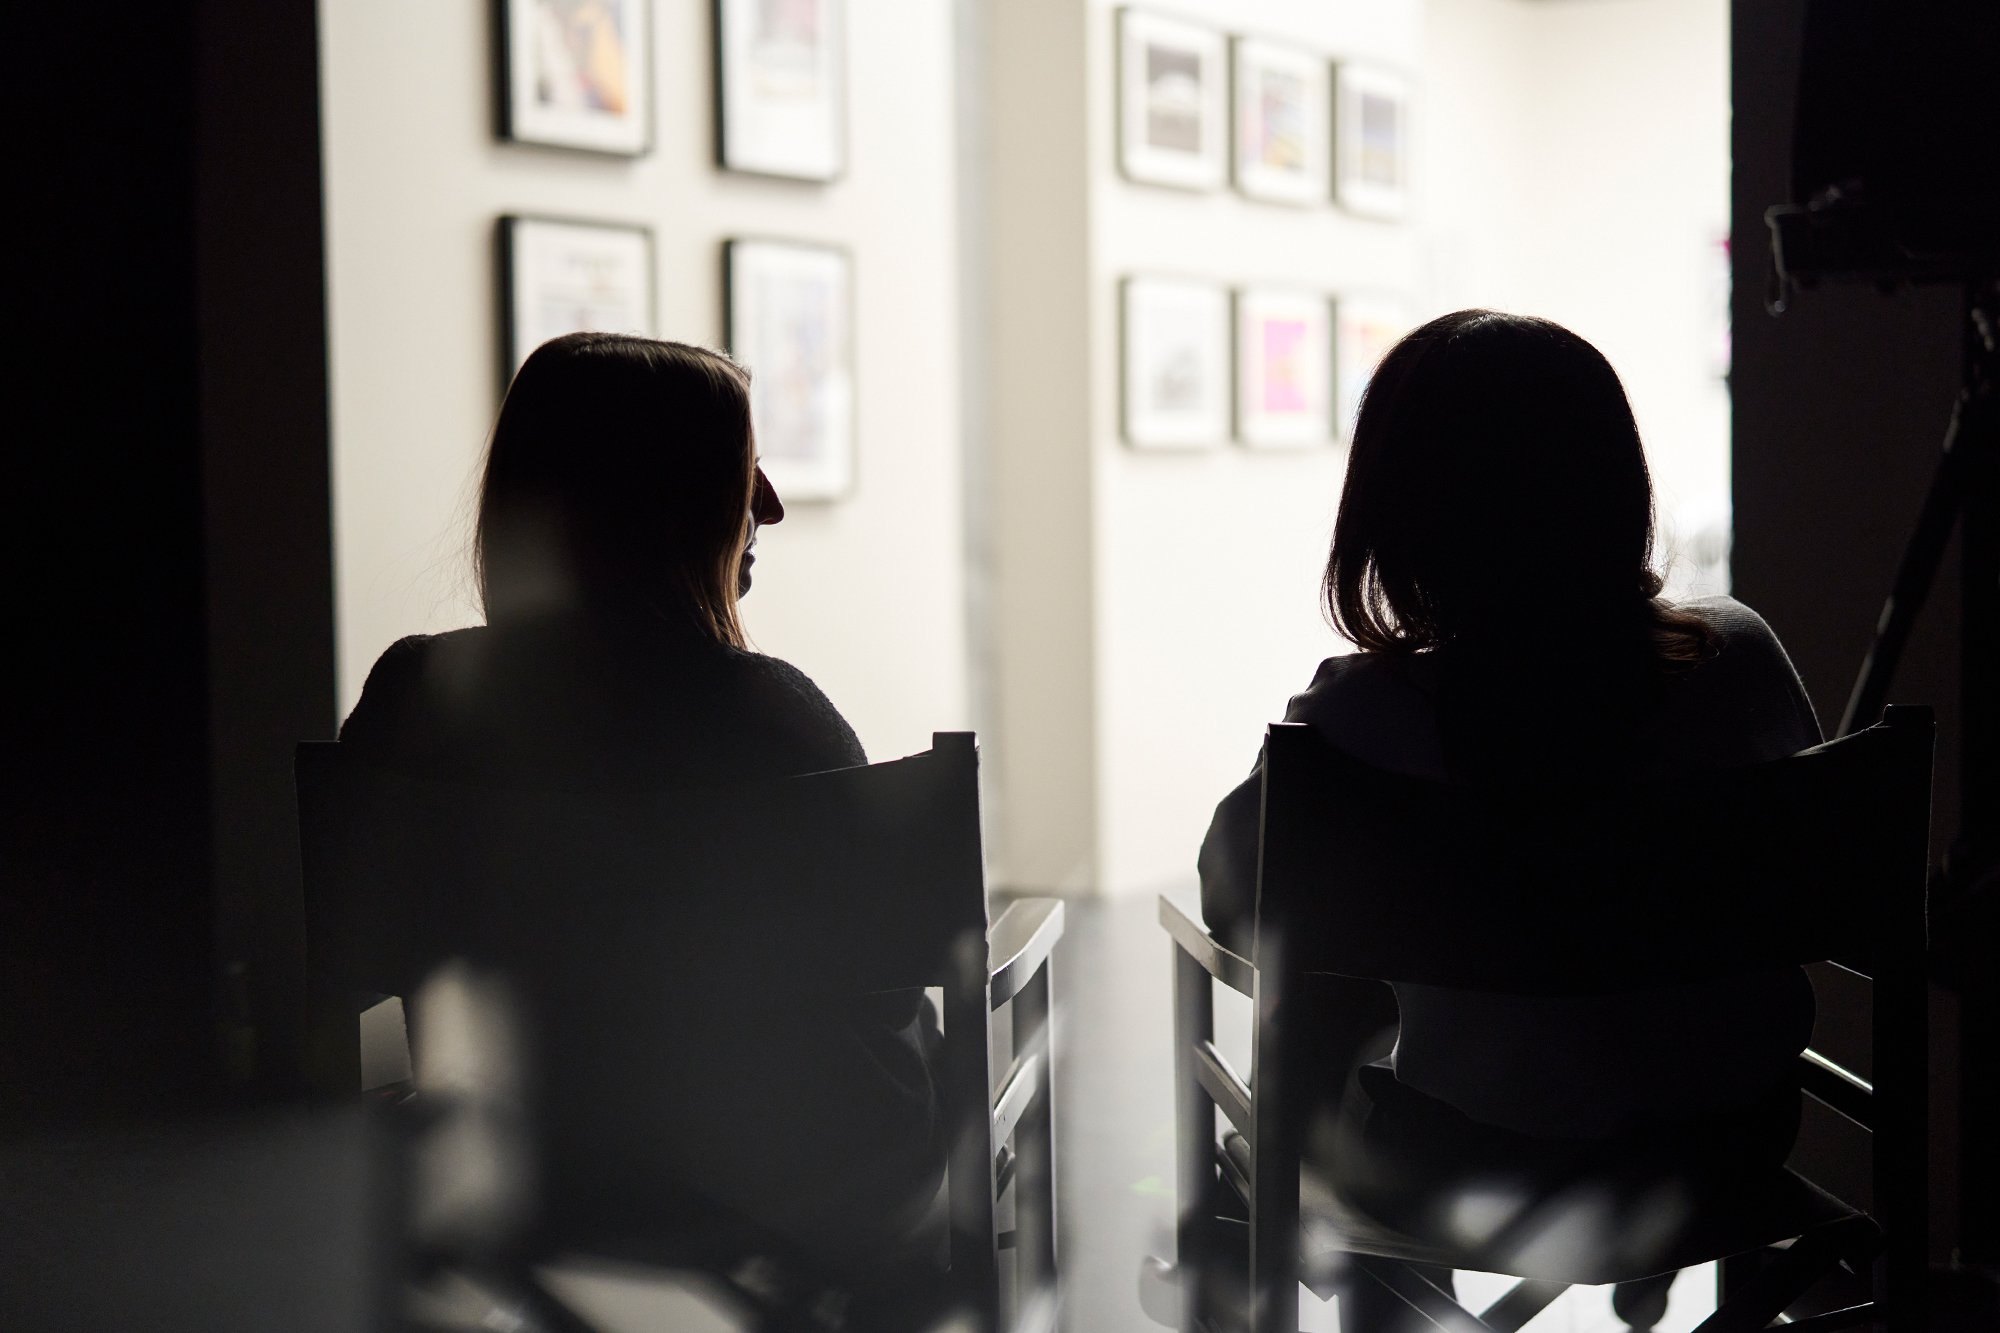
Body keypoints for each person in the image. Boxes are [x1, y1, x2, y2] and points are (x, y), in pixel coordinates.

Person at [1198, 310, 1821, 1325]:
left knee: (1328, 981)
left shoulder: (1359, 716)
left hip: (1475, 1167)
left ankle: (1316, 1255)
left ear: (1396, 515)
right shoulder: (1736, 654)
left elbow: (1232, 895)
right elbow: (1807, 873)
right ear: (1614, 487)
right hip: (1729, 1148)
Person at [339, 332, 944, 1286]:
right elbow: (879, 981)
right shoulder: (772, 717)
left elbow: (362, 935)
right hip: (775, 1184)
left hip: (515, 1162)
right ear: (662, 506)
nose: (770, 505)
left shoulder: (412, 691)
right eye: (742, 471)